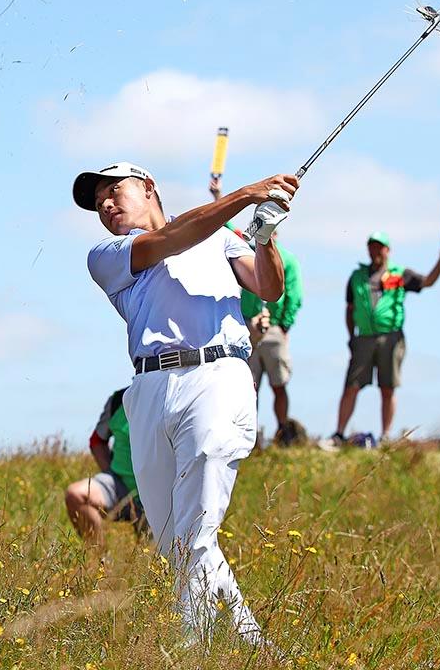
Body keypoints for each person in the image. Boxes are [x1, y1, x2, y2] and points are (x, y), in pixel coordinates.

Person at [73, 160, 296, 644]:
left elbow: (268, 287)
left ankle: (191, 648)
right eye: (97, 203)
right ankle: (254, 646)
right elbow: (172, 240)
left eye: (114, 191)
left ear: (149, 186)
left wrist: (265, 236)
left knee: (195, 530)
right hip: (149, 388)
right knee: (179, 543)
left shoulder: (221, 234)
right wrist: (244, 196)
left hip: (217, 374)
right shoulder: (107, 254)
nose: (105, 204)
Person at [210, 179, 303, 441]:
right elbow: (225, 224)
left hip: (272, 328)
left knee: (279, 383)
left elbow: (293, 295)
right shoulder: (246, 247)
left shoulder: (288, 259)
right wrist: (218, 194)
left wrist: (282, 325)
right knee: (248, 384)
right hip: (247, 326)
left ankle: (284, 432)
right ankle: (249, 436)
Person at [334, 231, 440, 441]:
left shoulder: (400, 274)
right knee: (351, 385)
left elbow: (428, 281)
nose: (375, 251)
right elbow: (350, 309)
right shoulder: (356, 276)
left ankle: (386, 435)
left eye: (379, 246)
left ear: (387, 250)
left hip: (391, 337)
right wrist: (351, 337)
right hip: (364, 338)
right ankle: (339, 434)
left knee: (387, 388)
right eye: (372, 246)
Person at [64, 388, 143, 547]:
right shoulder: (118, 400)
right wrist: (109, 471)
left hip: (160, 491)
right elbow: (97, 441)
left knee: (157, 557)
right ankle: (100, 563)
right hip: (118, 485)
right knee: (76, 495)